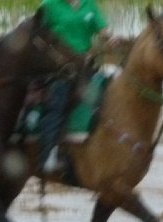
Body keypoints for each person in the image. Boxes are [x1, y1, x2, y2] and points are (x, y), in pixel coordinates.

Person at [37, 0, 118, 173]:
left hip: (83, 65)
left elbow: (102, 28)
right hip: (58, 68)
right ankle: (47, 157)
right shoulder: (50, 6)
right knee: (57, 106)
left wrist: (110, 37)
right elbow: (39, 35)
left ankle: (99, 151)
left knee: (104, 97)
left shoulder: (89, 5)